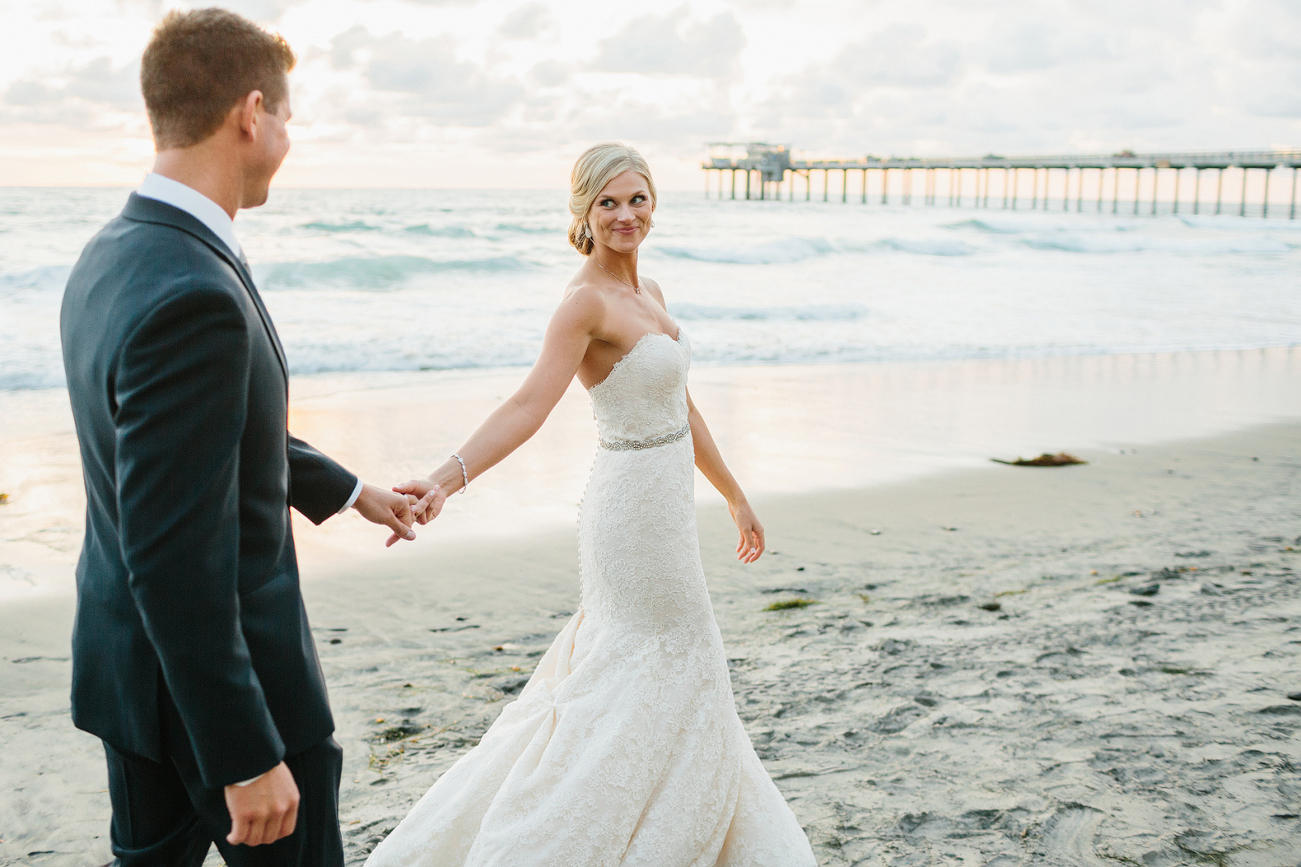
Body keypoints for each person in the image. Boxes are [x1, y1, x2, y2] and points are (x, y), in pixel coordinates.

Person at [366, 143, 817, 865]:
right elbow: (527, 405)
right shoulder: (583, 303)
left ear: (653, 203)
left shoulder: (653, 295)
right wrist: (443, 480)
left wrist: (735, 495)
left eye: (635, 198)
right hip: (629, 514)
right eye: (607, 202)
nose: (624, 214)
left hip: (667, 505)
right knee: (662, 654)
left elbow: (682, 407)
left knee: (661, 663)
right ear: (583, 212)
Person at [59, 9, 432, 866]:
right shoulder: (195, 289)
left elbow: (182, 441)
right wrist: (246, 753)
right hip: (231, 685)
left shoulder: (114, 251)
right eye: (290, 117)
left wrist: (344, 489)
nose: (289, 137)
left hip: (129, 671)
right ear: (250, 113)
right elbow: (172, 553)